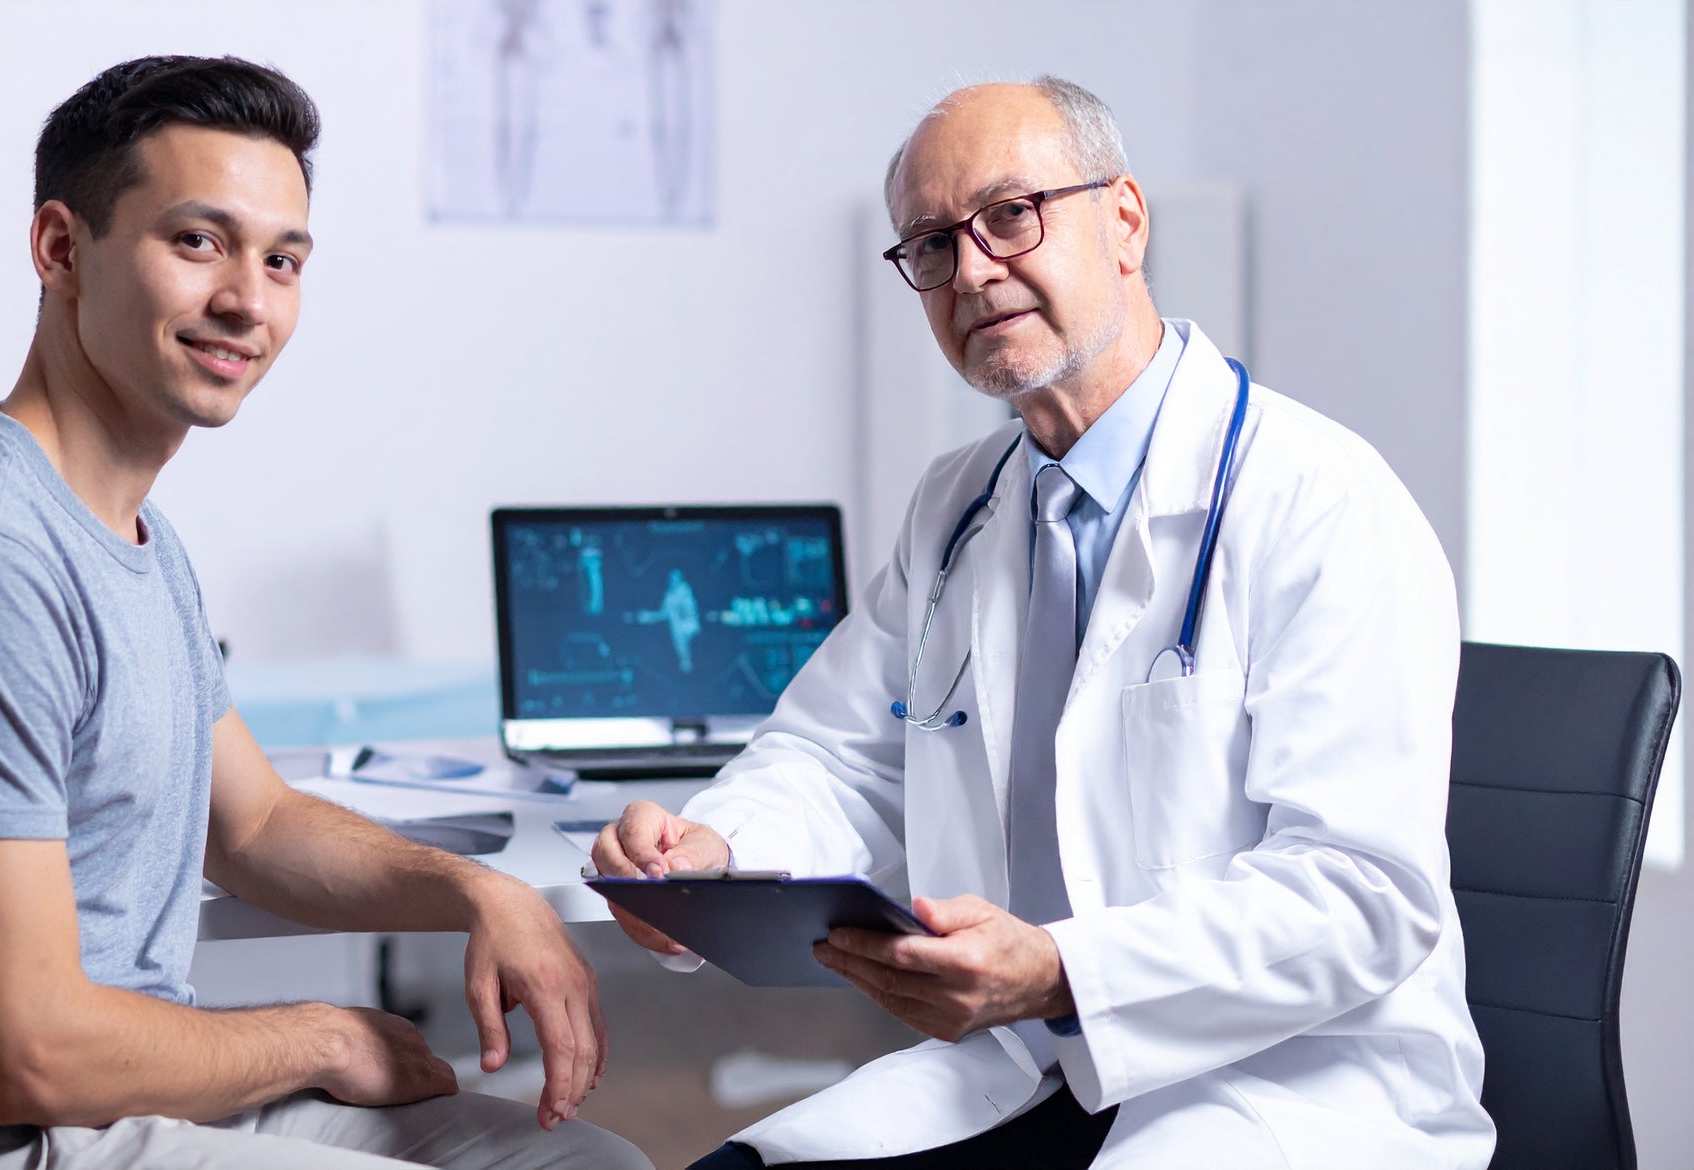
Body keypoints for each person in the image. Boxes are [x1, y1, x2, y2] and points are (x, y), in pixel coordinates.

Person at [594, 77, 1495, 1170]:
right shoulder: (958, 505)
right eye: (929, 244)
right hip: (1023, 1065)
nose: (970, 268)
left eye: (1010, 214)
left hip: (1285, 1088)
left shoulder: (1317, 499)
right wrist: (710, 858)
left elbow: (1362, 894)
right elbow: (838, 759)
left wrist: (1066, 970)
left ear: (1122, 220)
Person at [0, 55, 649, 1170]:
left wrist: (479, 892)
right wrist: (319, 1037)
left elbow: (254, 829)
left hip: (126, 1102)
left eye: (281, 259)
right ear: (59, 249)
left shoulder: (135, 540)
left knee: (592, 1165)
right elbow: (27, 1057)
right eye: (197, 241)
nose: (246, 298)